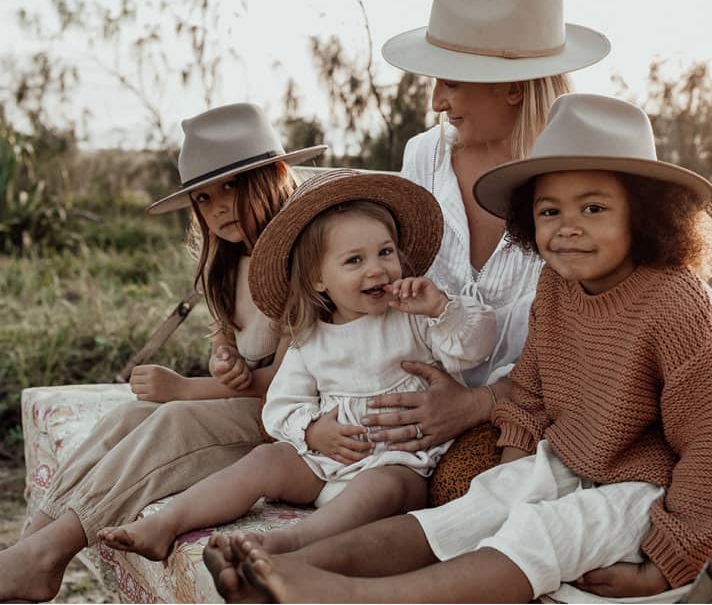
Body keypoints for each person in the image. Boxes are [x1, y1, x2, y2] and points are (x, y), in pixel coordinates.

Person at [204, 94, 712, 604]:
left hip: (650, 489)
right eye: (548, 211)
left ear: (647, 212)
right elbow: (533, 389)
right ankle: (288, 557)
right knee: (470, 513)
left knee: (542, 532)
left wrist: (672, 561)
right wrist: (508, 480)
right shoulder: (558, 286)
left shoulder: (680, 305)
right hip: (570, 459)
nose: (567, 229)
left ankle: (352, 598)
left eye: (593, 209)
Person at [0, 102, 326, 603]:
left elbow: (282, 391)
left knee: (172, 420)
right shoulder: (230, 259)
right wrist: (224, 357)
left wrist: (187, 387)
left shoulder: (298, 258)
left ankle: (49, 552)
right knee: (129, 417)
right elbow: (230, 335)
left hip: (291, 422)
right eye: (204, 196)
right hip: (249, 406)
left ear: (275, 175)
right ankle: (34, 547)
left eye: (232, 186)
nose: (217, 207)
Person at [97, 169, 497, 561]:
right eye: (354, 260)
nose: (376, 268)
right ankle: (166, 524)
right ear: (318, 279)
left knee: (386, 486)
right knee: (265, 460)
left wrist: (443, 308)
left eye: (385, 252)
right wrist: (312, 430)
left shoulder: (414, 318)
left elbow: (475, 347)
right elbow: (278, 407)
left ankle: (293, 542)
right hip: (323, 462)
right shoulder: (311, 338)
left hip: (401, 463)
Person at [365, 0, 612, 505]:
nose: (436, 101)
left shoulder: (577, 193)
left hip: (540, 411)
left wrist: (476, 407)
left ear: (512, 89)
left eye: (450, 80)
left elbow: (586, 346)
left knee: (461, 491)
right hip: (421, 395)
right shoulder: (422, 158)